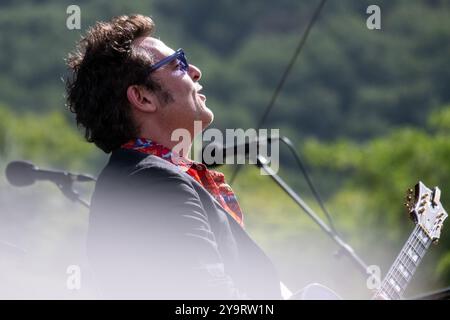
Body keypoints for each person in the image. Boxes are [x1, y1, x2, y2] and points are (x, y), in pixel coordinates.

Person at [66, 14, 281, 299]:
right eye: (177, 64)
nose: (195, 71)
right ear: (143, 98)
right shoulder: (153, 183)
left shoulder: (138, 177)